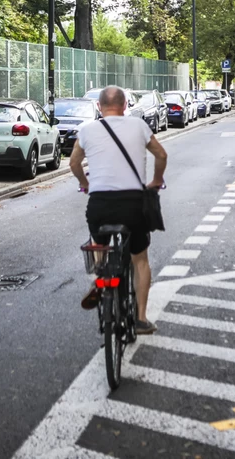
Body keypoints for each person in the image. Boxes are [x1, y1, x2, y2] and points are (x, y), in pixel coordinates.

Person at [69, 86, 167, 335]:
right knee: (140, 259)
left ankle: (101, 277)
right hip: (134, 204)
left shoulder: (88, 130)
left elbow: (73, 162)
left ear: (99, 107)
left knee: (98, 240)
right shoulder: (138, 126)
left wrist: (85, 183)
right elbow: (161, 154)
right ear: (125, 106)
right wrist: (156, 180)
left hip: (100, 204)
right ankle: (141, 319)